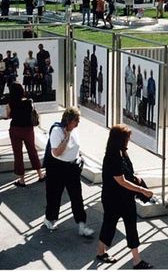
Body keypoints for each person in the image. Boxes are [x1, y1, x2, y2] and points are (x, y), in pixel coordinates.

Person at [95, 124, 154, 269]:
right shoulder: (113, 157)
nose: (128, 141)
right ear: (120, 140)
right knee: (113, 225)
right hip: (116, 199)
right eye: (127, 138)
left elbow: (127, 172)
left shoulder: (120, 152)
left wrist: (135, 178)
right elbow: (121, 181)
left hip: (118, 197)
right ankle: (135, 260)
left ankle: (105, 253)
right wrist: (142, 190)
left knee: (120, 225)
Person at [43, 107, 95, 237]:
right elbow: (56, 153)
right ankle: (50, 219)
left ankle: (82, 224)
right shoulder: (57, 131)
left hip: (72, 168)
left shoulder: (74, 130)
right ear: (69, 120)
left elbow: (76, 147)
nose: (78, 123)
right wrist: (66, 138)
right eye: (76, 120)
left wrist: (79, 157)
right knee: (55, 195)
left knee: (77, 197)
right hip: (57, 168)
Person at [7, 83, 45, 187]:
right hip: (28, 129)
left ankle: (22, 180)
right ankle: (40, 174)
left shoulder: (11, 103)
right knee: (32, 151)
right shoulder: (29, 102)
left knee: (18, 154)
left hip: (15, 129)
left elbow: (8, 115)